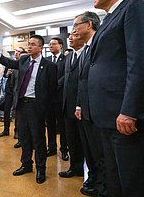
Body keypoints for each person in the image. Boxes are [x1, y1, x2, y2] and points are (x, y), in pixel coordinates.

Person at [88, 0, 144, 196]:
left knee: (134, 182)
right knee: (115, 179)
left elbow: (142, 63)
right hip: (106, 116)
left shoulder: (136, 8)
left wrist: (130, 110)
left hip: (124, 116)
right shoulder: (107, 19)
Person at [0, 35, 58, 184]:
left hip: (37, 106)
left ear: (41, 47)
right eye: (28, 44)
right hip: (22, 105)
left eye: (33, 44)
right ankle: (26, 164)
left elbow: (52, 90)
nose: (29, 47)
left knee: (38, 138)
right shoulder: (23, 60)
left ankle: (41, 168)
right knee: (24, 137)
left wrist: (46, 110)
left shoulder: (49, 66)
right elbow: (9, 62)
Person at [73, 11, 106, 196]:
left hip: (98, 108)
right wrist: (79, 105)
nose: (74, 30)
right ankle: (93, 178)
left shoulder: (100, 44)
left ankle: (103, 186)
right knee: (90, 150)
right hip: (84, 109)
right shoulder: (85, 49)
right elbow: (82, 81)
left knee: (101, 152)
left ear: (90, 24)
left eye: (77, 25)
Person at [58, 33, 85, 181]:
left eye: (75, 35)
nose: (71, 37)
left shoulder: (88, 54)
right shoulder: (69, 57)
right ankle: (74, 167)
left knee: (85, 141)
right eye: (70, 36)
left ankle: (90, 172)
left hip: (83, 106)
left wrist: (80, 104)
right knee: (72, 139)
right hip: (68, 106)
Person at [46, 37, 68, 161]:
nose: (51, 46)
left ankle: (64, 149)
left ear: (60, 45)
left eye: (54, 44)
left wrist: (55, 85)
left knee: (62, 125)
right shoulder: (46, 60)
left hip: (60, 97)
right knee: (50, 124)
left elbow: (66, 75)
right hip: (48, 98)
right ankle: (52, 147)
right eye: (49, 45)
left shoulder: (65, 59)